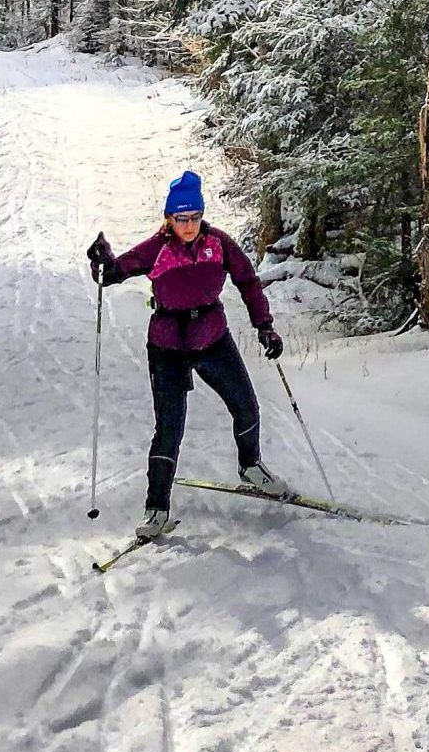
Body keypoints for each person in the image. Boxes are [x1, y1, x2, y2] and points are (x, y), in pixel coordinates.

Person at [87, 169, 291, 540]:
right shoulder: (158, 248)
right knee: (169, 428)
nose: (189, 225)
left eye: (194, 217)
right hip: (167, 346)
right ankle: (156, 508)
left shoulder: (219, 244)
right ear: (169, 218)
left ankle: (251, 467)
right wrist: (102, 261)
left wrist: (265, 326)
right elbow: (116, 272)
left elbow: (248, 282)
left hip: (213, 337)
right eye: (181, 218)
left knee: (246, 405)